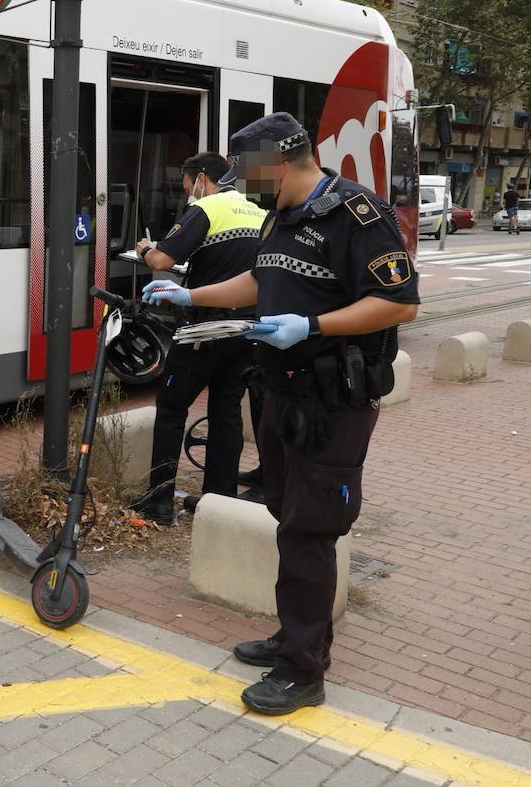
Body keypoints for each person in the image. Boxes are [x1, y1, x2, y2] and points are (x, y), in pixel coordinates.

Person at [143, 113, 419, 715]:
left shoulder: (356, 213)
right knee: (283, 514)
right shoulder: (280, 215)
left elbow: (399, 304)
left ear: (284, 160)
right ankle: (296, 634)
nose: (245, 184)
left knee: (310, 529)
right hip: (279, 391)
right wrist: (189, 294)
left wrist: (312, 325)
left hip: (332, 400)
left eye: (251, 172)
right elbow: (256, 281)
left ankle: (303, 671)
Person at [132, 152, 266, 525]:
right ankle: (218, 504)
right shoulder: (256, 212)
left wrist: (145, 250)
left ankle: (158, 502)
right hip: (246, 331)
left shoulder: (208, 208)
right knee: (226, 413)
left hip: (204, 329)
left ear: (202, 178)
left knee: (172, 407)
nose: (188, 192)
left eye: (188, 184)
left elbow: (162, 261)